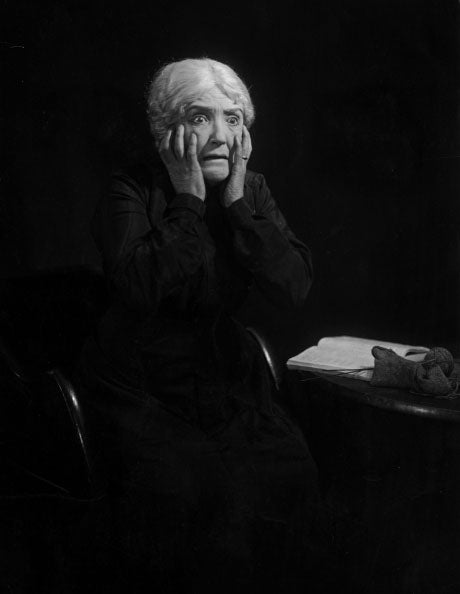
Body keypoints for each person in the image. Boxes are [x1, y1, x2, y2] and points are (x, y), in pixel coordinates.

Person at [75, 57, 328, 593]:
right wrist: (189, 199)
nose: (219, 135)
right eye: (199, 117)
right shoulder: (130, 187)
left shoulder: (249, 190)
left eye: (232, 119)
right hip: (140, 382)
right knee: (193, 490)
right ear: (166, 131)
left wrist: (234, 205)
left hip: (221, 373)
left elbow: (294, 287)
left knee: (290, 472)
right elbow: (138, 288)